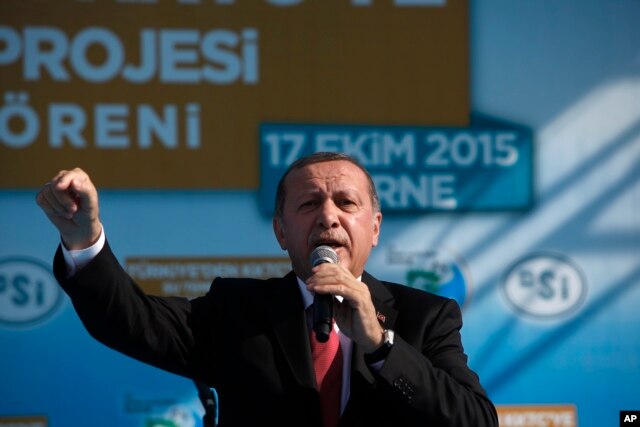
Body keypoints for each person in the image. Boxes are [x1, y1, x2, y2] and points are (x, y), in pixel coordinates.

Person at [36, 152, 498, 427]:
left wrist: (380, 346)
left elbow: (474, 421)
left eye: (346, 203)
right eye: (309, 203)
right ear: (281, 232)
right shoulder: (236, 311)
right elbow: (129, 321)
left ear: (374, 227)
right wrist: (83, 240)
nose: (328, 216)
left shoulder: (426, 315)